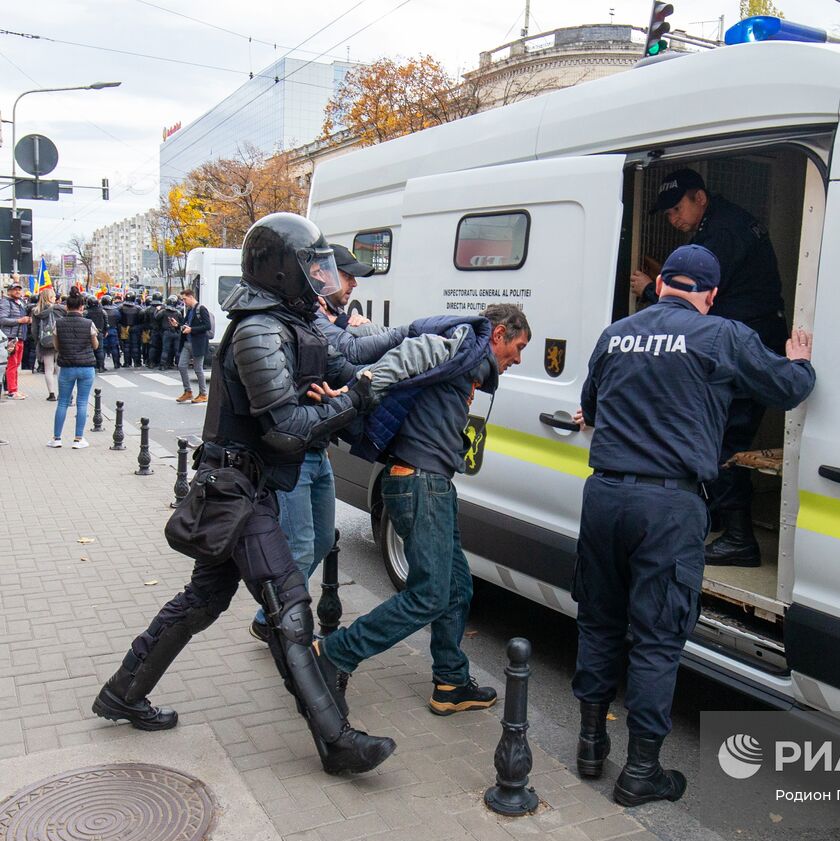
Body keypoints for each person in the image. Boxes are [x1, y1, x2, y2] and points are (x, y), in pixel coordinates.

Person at [91, 213, 395, 777]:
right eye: (311, 267)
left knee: (203, 601)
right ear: (282, 271)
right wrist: (354, 400)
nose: (321, 279)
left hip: (239, 487)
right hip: (237, 491)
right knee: (289, 605)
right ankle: (336, 739)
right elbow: (285, 429)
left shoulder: (277, 322)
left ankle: (122, 693)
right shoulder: (259, 328)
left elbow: (299, 400)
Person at [572, 245, 815, 806]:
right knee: (657, 636)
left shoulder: (615, 335)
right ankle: (640, 772)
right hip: (668, 505)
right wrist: (798, 358)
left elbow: (592, 403)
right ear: (708, 295)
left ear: (661, 286)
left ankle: (589, 746)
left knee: (599, 623)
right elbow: (789, 390)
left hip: (605, 494)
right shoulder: (722, 335)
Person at [317, 303, 531, 715]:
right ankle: (334, 653)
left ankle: (451, 683)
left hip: (431, 483)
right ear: (500, 334)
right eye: (518, 346)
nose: (517, 359)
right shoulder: (466, 343)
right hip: (419, 482)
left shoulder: (469, 364)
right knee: (429, 595)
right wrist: (359, 389)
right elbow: (413, 352)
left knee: (456, 587)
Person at [248, 244, 408, 644]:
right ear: (317, 275)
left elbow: (345, 365)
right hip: (292, 454)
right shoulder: (286, 322)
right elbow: (349, 354)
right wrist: (404, 336)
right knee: (299, 546)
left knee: (320, 540)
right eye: (344, 275)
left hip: (318, 449)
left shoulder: (314, 319)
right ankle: (284, 628)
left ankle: (268, 617)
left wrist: (378, 375)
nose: (350, 283)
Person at [629, 168, 786, 568]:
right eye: (666, 214)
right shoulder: (726, 222)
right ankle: (720, 516)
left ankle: (738, 538)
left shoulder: (721, 234)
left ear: (699, 197)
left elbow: (701, 297)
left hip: (743, 347)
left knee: (724, 439)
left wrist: (651, 290)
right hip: (749, 340)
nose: (673, 220)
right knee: (722, 434)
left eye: (676, 209)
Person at [50, 294, 99, 448]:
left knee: (63, 402)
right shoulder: (89, 323)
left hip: (66, 367)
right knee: (83, 402)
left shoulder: (58, 324)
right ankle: (78, 439)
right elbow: (95, 345)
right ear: (82, 307)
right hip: (86, 367)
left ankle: (57, 438)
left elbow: (56, 346)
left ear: (66, 307)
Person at [175, 289, 212, 403]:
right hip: (187, 343)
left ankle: (203, 394)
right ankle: (188, 391)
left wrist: (192, 329)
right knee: (181, 366)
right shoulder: (190, 310)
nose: (184, 302)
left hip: (198, 343)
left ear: (191, 297)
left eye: (185, 299)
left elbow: (207, 326)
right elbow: (186, 326)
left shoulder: (201, 309)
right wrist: (177, 325)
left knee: (198, 369)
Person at [0, 282, 31, 398]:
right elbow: (2, 320)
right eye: (15, 289)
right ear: (9, 291)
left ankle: (14, 389)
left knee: (16, 364)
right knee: (12, 365)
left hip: (19, 337)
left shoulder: (20, 303)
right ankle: (12, 391)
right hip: (10, 338)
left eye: (19, 289)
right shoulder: (5, 302)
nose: (18, 291)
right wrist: (19, 321)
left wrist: (27, 320)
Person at [33, 287, 60, 401]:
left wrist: (37, 341)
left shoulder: (36, 311)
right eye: (53, 296)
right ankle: (62, 393)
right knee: (59, 368)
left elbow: (34, 329)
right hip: (58, 341)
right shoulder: (58, 309)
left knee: (48, 369)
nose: (55, 298)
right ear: (50, 298)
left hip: (44, 342)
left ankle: (51, 394)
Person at [85, 297, 109, 373]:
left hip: (89, 333)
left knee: (90, 350)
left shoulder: (86, 312)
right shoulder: (102, 311)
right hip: (99, 332)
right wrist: (105, 331)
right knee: (100, 350)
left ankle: (93, 366)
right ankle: (101, 366)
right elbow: (106, 322)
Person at [159, 299, 182, 371]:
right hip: (176, 332)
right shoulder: (178, 312)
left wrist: (158, 310)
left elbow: (156, 317)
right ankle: (179, 365)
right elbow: (181, 321)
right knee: (177, 350)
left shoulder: (163, 311)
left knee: (165, 349)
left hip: (167, 332)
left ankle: (163, 365)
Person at [119, 293, 142, 368]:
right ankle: (137, 362)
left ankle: (127, 363)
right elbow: (142, 318)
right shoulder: (138, 308)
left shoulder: (121, 307)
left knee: (126, 346)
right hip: (135, 328)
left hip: (124, 328)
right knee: (135, 345)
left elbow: (118, 318)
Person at [100, 296, 122, 370]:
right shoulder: (116, 310)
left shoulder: (100, 310)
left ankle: (101, 365)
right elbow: (119, 319)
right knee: (115, 347)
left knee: (103, 348)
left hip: (103, 331)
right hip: (113, 329)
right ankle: (116, 364)